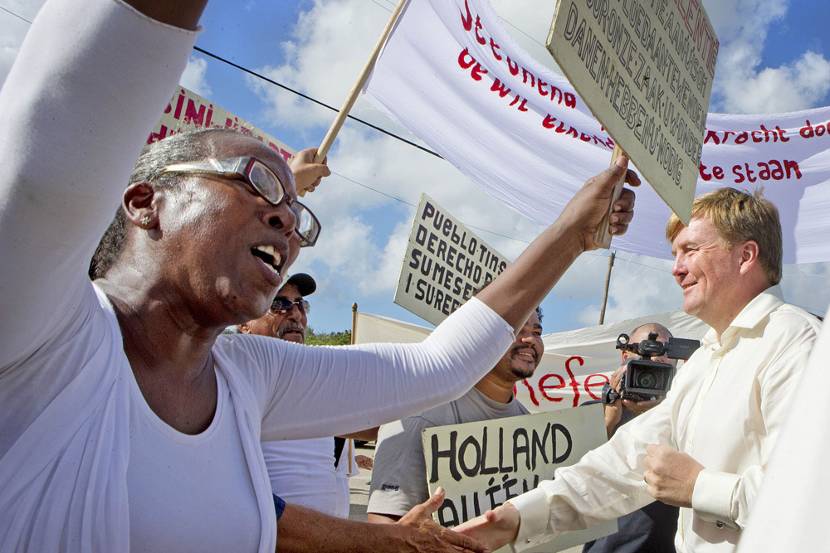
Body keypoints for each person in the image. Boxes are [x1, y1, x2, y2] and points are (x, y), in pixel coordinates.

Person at [0, 0, 639, 551]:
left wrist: (574, 235)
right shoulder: (43, 332)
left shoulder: (245, 377)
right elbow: (56, 134)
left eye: (297, 217)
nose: (286, 220)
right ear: (144, 202)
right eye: (258, 182)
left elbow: (435, 368)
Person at [456, 188, 821, 553]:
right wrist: (517, 518)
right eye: (675, 254)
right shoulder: (705, 361)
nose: (676, 270)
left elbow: (812, 499)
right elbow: (620, 466)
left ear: (745, 255)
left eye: (691, 250)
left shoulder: (795, 342)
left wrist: (699, 488)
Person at [367, 308, 544, 522]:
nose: (530, 340)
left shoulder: (532, 428)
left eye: (537, 332)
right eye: (517, 329)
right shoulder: (419, 416)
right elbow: (385, 525)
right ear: (479, 336)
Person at [239, 272, 355, 518]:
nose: (296, 314)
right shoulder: (228, 384)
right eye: (278, 304)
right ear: (243, 324)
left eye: (301, 304)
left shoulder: (321, 384)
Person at [582, 322, 679, 553]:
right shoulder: (590, 414)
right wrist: (608, 421)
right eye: (644, 354)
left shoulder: (684, 417)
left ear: (675, 363)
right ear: (625, 355)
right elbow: (570, 476)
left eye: (662, 355)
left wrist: (662, 413)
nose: (652, 363)